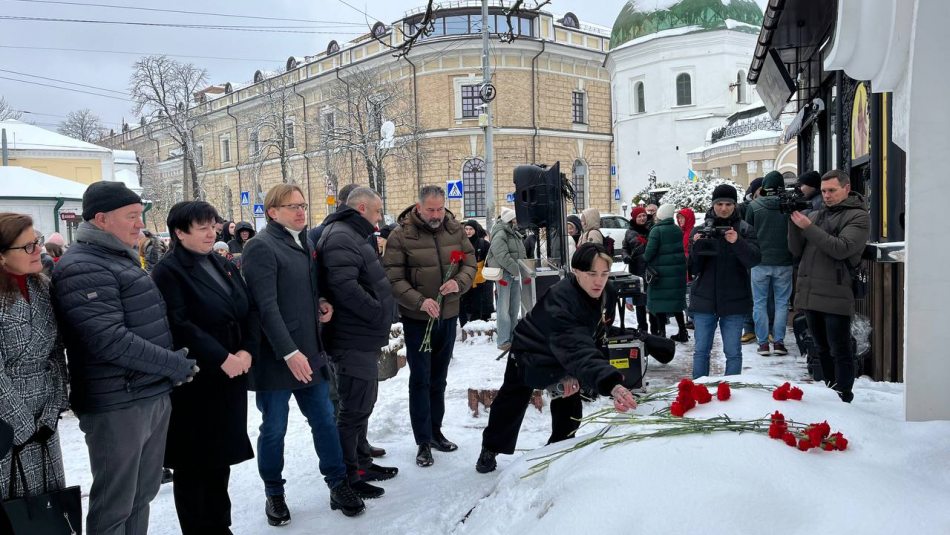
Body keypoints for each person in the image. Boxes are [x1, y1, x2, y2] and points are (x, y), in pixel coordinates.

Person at [52, 180, 198, 535]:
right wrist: (173, 365)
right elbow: (109, 340)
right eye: (132, 216)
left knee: (142, 494)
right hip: (116, 402)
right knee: (115, 504)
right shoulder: (82, 265)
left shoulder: (117, 257)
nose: (140, 225)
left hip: (147, 393)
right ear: (101, 219)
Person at [241, 184, 364, 524]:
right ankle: (274, 494)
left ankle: (338, 485)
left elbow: (305, 289)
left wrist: (321, 302)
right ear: (272, 212)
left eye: (302, 205)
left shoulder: (304, 241)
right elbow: (265, 308)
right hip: (277, 358)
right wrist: (288, 353)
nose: (300, 211)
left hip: (309, 352)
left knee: (324, 420)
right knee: (274, 428)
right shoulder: (259, 247)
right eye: (291, 206)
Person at [475, 243, 638, 474]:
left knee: (569, 404)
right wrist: (611, 383)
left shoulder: (606, 292)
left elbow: (595, 337)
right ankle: (490, 448)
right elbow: (576, 347)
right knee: (511, 401)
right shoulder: (561, 299)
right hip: (531, 352)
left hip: (567, 353)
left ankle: (558, 450)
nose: (598, 281)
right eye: (592, 274)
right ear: (576, 272)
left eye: (604, 273)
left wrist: (584, 373)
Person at [151, 201, 255, 535]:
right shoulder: (169, 271)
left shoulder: (220, 263)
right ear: (179, 233)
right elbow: (179, 323)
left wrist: (247, 351)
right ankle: (200, 528)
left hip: (232, 373)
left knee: (220, 457)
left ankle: (220, 525)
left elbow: (247, 307)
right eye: (203, 228)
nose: (212, 233)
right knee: (194, 462)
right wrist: (223, 358)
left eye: (214, 225)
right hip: (198, 378)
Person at [383, 185, 476, 468]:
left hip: (448, 316)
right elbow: (393, 278)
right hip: (418, 320)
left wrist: (457, 283)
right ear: (418, 207)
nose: (436, 215)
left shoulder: (455, 230)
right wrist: (420, 301)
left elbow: (469, 264)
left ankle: (436, 432)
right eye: (431, 210)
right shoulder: (401, 235)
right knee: (421, 380)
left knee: (440, 379)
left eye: (440, 209)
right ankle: (422, 440)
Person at [316, 187, 399, 499]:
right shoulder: (341, 235)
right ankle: (349, 476)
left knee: (362, 404)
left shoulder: (350, 233)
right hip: (352, 336)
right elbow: (343, 286)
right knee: (353, 409)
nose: (379, 218)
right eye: (377, 212)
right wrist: (377, 311)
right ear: (362, 208)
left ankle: (361, 464)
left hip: (359, 335)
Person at [0, 213, 68, 500]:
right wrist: (21, 424)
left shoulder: (42, 286)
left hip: (44, 417)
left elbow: (56, 351)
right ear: (2, 256)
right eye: (27, 246)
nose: (38, 249)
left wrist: (53, 408)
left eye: (37, 242)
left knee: (47, 505)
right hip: (6, 420)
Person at [788, 170, 870, 403]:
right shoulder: (816, 214)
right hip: (811, 292)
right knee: (821, 348)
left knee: (840, 350)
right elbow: (795, 250)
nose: (827, 195)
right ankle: (830, 391)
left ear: (846, 188)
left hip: (836, 292)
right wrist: (793, 223)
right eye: (823, 191)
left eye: (832, 190)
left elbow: (841, 248)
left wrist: (808, 227)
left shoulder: (858, 216)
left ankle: (844, 395)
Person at [688, 185, 761, 379]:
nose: (723, 208)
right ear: (713, 205)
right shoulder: (700, 229)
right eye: (719, 203)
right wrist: (697, 246)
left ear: (734, 205)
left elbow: (753, 260)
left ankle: (732, 393)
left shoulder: (745, 229)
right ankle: (698, 392)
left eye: (728, 204)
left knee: (733, 353)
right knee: (701, 352)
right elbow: (693, 269)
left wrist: (737, 242)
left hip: (734, 301)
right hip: (704, 300)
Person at [745, 171, 794, 356]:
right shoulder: (788, 206)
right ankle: (779, 342)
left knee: (759, 303)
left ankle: (763, 343)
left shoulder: (754, 206)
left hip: (759, 261)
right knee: (782, 303)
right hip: (784, 261)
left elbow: (748, 232)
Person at [643, 204, 688, 341]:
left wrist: (643, 258)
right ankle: (683, 331)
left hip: (660, 273)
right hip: (676, 272)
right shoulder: (676, 229)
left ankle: (661, 333)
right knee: (676, 303)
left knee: (659, 303)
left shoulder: (656, 231)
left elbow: (649, 253)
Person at [487, 207, 526, 351]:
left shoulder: (512, 232)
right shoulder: (501, 232)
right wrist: (517, 270)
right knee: (503, 308)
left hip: (514, 274)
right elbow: (501, 255)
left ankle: (513, 337)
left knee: (514, 307)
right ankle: (503, 340)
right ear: (510, 219)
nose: (518, 221)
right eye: (515, 219)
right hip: (505, 275)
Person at [739, 177, 765, 344]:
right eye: (759, 191)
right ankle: (748, 328)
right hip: (748, 256)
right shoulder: (744, 208)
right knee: (748, 294)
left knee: (764, 298)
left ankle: (764, 329)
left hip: (765, 256)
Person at [460, 219, 494, 326]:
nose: (468, 231)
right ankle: (465, 326)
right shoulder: (460, 243)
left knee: (479, 304)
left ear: (475, 230)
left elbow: (489, 261)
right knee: (465, 304)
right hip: (464, 279)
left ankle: (478, 326)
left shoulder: (483, 244)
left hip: (481, 281)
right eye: (466, 229)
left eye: (471, 229)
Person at [622, 207, 649, 331]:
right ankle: (642, 327)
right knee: (640, 300)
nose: (642, 218)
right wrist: (626, 256)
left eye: (644, 215)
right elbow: (625, 248)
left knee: (651, 299)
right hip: (636, 269)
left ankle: (657, 327)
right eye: (639, 216)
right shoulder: (630, 232)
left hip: (650, 269)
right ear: (634, 218)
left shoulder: (651, 228)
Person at [676, 207, 697, 329]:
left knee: (689, 295)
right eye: (678, 218)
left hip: (689, 270)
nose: (679, 220)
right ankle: (690, 318)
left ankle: (692, 318)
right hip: (682, 269)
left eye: (682, 217)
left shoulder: (692, 232)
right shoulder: (680, 231)